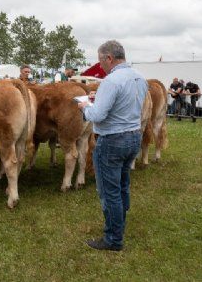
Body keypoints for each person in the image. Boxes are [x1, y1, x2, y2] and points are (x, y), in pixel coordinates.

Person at [78, 40, 147, 251]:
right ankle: (120, 223)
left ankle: (113, 238)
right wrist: (97, 99)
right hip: (134, 136)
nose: (100, 66)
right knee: (122, 184)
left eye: (101, 60)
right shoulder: (139, 78)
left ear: (109, 58)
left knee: (110, 192)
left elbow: (97, 115)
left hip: (112, 140)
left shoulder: (111, 81)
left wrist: (84, 107)